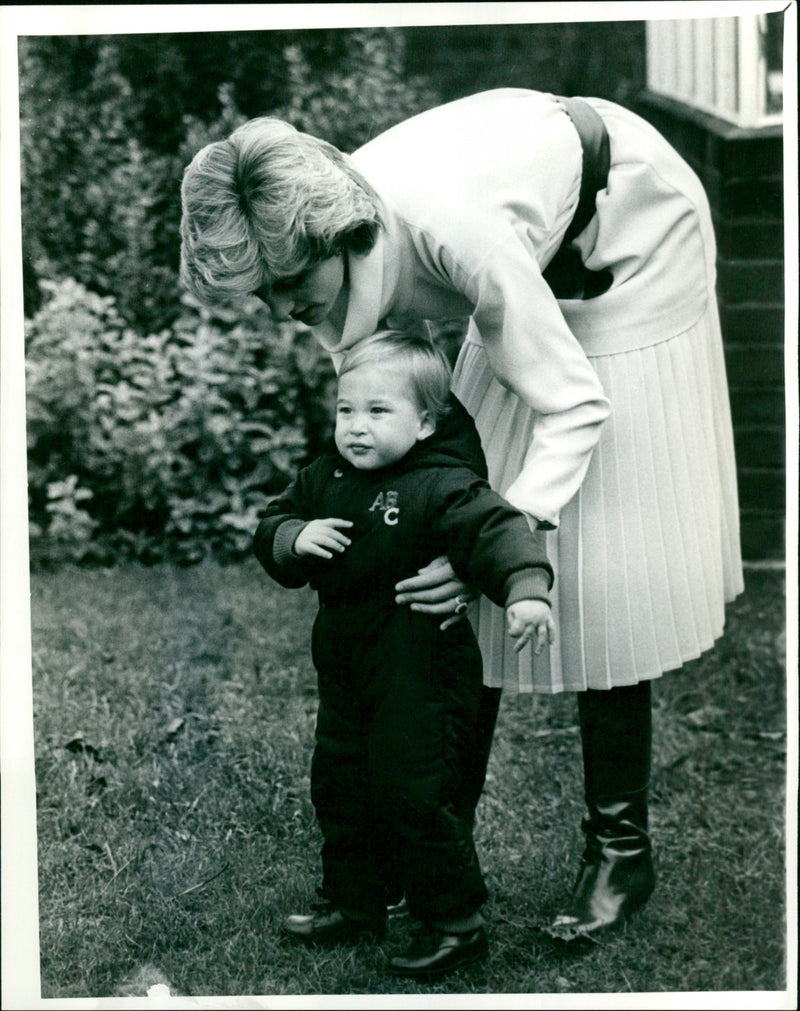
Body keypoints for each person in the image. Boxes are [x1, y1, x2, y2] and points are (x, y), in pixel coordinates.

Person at [180, 88, 744, 941]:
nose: (279, 308)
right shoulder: (321, 227)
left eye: (286, 286)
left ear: (336, 238)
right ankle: (439, 842)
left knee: (609, 557)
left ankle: (620, 848)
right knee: (454, 524)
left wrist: (495, 548)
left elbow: (573, 406)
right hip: (531, 234)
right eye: (262, 292)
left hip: (632, 222)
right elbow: (412, 431)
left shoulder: (459, 235)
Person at [252, 330, 555, 977]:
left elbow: (497, 529)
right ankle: (354, 898)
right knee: (340, 779)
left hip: (421, 671)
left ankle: (452, 918)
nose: (356, 426)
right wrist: (292, 535)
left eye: (377, 411)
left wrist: (527, 591)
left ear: (423, 422)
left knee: (414, 791)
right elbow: (271, 522)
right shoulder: (326, 477)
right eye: (346, 410)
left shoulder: (441, 483)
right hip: (348, 666)